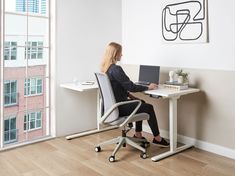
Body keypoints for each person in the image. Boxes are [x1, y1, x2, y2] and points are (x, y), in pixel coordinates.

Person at [100, 42, 169, 147]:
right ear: (115, 54)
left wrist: (131, 96)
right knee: (149, 108)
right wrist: (148, 87)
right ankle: (157, 138)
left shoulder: (105, 69)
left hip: (111, 107)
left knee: (141, 103)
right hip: (119, 108)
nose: (122, 55)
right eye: (120, 53)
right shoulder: (116, 69)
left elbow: (116, 89)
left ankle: (138, 134)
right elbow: (131, 86)